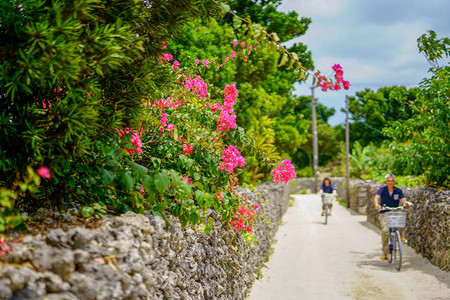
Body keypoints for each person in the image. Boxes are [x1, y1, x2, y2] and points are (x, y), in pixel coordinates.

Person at [373, 173, 410, 260]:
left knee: (401, 220)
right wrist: (377, 204)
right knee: (385, 231)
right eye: (388, 181)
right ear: (386, 182)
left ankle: (402, 237)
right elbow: (376, 197)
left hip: (395, 212)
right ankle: (385, 253)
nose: (390, 182)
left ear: (394, 182)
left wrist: (405, 203)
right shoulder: (382, 190)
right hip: (384, 212)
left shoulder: (398, 191)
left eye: (392, 181)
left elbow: (403, 199)